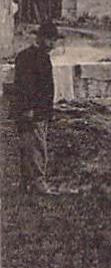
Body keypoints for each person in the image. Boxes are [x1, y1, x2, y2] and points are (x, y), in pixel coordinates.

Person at [12, 22, 58, 194]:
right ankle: (37, 181)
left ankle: (27, 183)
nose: (52, 44)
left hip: (35, 110)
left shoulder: (36, 56)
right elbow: (25, 85)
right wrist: (29, 108)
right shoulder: (30, 57)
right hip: (33, 111)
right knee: (36, 146)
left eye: (54, 40)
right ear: (39, 38)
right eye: (49, 39)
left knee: (28, 145)